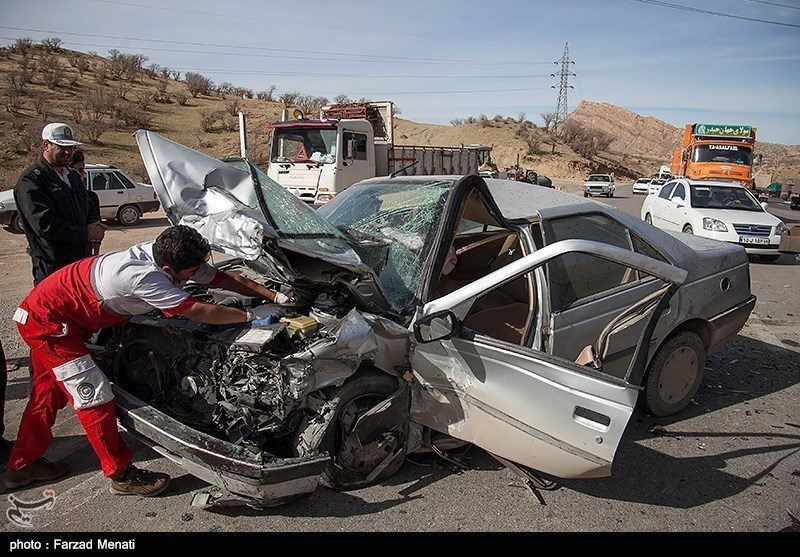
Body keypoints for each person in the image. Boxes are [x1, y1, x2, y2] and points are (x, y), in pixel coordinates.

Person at [6, 225, 294, 496]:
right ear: (169, 269)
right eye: (191, 272)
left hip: (52, 312)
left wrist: (274, 295)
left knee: (47, 394)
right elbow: (195, 310)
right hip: (51, 327)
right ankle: (120, 475)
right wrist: (249, 317)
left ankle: (23, 465)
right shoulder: (142, 276)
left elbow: (223, 278)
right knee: (94, 396)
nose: (197, 274)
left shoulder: (165, 253)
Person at [13, 123, 106, 284]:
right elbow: (45, 225)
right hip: (54, 266)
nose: (68, 152)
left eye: (71, 146)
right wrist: (86, 233)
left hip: (80, 262)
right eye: (62, 146)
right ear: (46, 145)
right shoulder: (31, 180)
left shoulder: (72, 176)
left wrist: (93, 222)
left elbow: (87, 203)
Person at [70, 150, 103, 255]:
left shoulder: (91, 197)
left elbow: (97, 227)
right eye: (74, 170)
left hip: (85, 252)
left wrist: (95, 256)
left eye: (81, 170)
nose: (79, 174)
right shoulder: (59, 196)